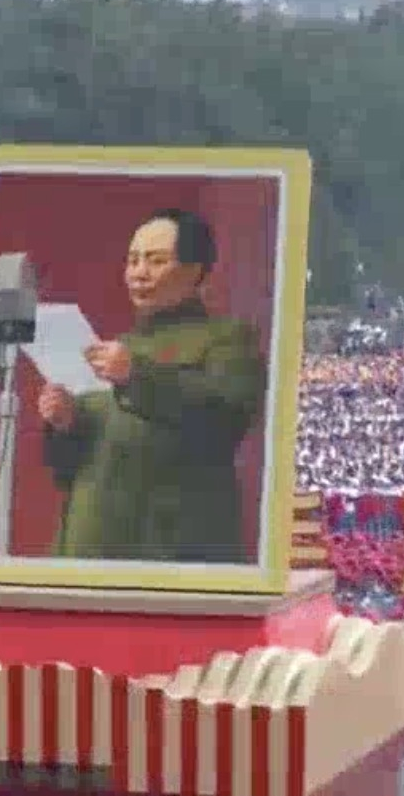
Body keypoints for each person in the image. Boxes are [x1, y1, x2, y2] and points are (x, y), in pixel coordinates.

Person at [35, 208, 268, 564]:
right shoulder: (115, 349)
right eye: (132, 261)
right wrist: (64, 423)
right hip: (86, 553)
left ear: (195, 272)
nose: (139, 273)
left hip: (169, 554)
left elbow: (224, 419)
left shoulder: (227, 339)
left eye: (156, 261)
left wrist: (136, 377)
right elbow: (66, 471)